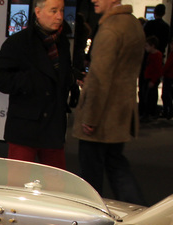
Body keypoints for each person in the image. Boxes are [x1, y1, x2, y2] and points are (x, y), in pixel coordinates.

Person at [72, 0, 144, 204]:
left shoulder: (110, 29)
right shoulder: (132, 24)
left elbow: (100, 78)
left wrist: (90, 117)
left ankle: (94, 217)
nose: (93, 0)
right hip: (120, 112)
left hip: (102, 116)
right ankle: (139, 210)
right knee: (116, 164)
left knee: (92, 175)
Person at [0, 0, 71, 169]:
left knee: (57, 187)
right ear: (38, 12)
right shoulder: (19, 42)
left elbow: (59, 77)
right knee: (19, 187)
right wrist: (29, 82)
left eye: (61, 11)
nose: (59, 16)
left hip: (53, 126)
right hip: (25, 127)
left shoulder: (62, 43)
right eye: (53, 11)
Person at [140, 35, 162, 122]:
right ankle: (148, 113)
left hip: (152, 79)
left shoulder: (157, 56)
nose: (145, 48)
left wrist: (153, 80)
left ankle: (150, 113)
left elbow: (157, 70)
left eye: (147, 46)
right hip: (148, 78)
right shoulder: (150, 55)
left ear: (152, 46)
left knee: (150, 97)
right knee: (146, 96)